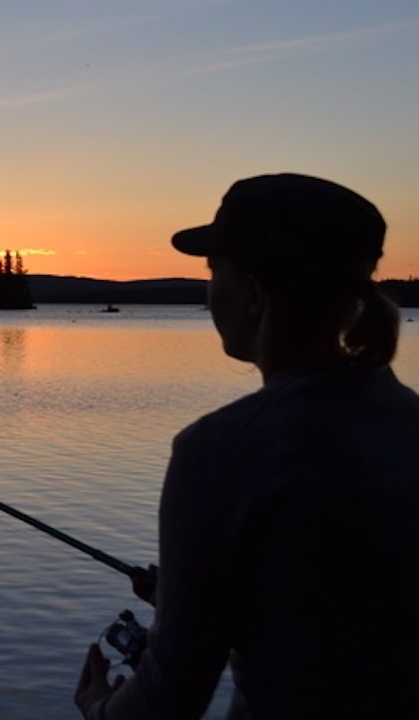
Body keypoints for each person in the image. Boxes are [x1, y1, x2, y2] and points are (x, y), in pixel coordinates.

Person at [75, 173, 419, 719]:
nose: (209, 290)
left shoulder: (220, 450)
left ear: (254, 295)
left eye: (214, 272)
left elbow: (170, 697)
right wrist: (197, 603)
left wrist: (98, 707)